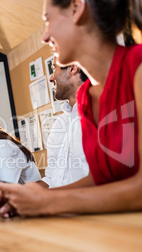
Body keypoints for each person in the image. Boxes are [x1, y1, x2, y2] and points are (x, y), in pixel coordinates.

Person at [0, 0, 142, 218]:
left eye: (48, 20)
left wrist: (48, 201)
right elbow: (100, 179)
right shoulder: (86, 98)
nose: (44, 36)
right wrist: (27, 196)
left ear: (77, 8)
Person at [38, 58, 89, 188]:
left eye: (54, 68)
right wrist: (20, 191)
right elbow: (51, 179)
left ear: (72, 68)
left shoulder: (97, 113)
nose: (51, 78)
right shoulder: (59, 124)